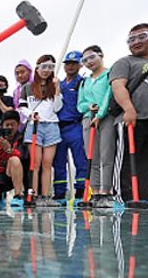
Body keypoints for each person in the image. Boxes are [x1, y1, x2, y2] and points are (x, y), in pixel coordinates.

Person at [110, 24, 148, 203]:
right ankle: (124, 196)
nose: (136, 42)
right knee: (128, 161)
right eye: (132, 39)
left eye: (142, 37)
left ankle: (142, 195)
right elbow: (118, 86)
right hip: (132, 119)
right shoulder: (125, 62)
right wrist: (129, 108)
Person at [20, 55, 64, 207]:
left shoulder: (55, 85)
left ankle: (45, 196)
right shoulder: (28, 87)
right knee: (35, 162)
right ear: (37, 68)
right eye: (43, 67)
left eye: (50, 67)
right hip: (34, 125)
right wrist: (31, 115)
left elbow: (58, 108)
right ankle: (34, 194)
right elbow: (22, 106)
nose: (46, 71)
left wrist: (57, 88)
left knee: (47, 163)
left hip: (51, 125)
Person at [77, 45, 116, 208]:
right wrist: (90, 107)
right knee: (91, 156)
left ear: (101, 55)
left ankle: (106, 192)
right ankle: (94, 191)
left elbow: (109, 95)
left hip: (105, 118)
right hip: (88, 119)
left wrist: (100, 114)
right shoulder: (84, 82)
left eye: (92, 57)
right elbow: (80, 105)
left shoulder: (110, 75)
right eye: (84, 60)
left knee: (107, 154)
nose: (89, 62)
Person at [53, 51, 87, 202]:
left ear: (80, 64)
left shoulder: (83, 83)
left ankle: (81, 191)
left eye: (74, 63)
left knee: (80, 160)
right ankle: (60, 193)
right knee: (58, 162)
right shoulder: (57, 84)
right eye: (68, 64)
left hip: (75, 126)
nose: (70, 66)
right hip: (58, 127)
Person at [0, 111, 27, 208]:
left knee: (14, 159)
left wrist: (8, 149)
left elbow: (22, 156)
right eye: (7, 125)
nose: (10, 128)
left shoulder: (22, 137)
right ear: (2, 125)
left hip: (13, 173)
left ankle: (18, 195)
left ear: (18, 125)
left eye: (13, 125)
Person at [12, 60, 34, 126]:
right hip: (19, 122)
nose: (20, 75)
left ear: (29, 72)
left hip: (32, 119)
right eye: (17, 73)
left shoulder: (34, 86)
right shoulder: (16, 91)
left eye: (22, 72)